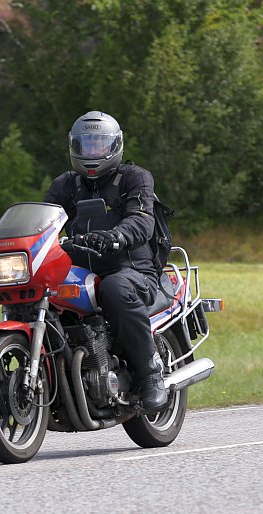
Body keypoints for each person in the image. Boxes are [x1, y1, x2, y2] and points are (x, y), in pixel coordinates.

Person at [44, 110, 168, 411]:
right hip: (78, 269)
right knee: (41, 293)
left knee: (114, 288)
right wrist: (10, 241)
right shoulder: (66, 185)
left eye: (98, 145)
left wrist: (114, 236)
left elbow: (141, 221)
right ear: (74, 147)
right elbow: (44, 220)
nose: (91, 152)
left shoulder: (135, 178)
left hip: (131, 270)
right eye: (85, 145)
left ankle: (150, 373)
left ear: (114, 146)